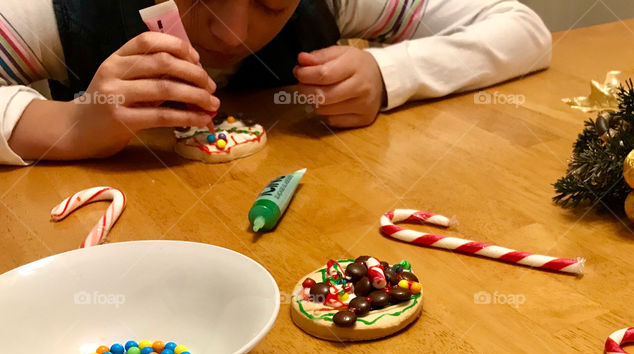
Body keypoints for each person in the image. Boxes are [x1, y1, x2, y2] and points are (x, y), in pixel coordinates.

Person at [0, 0, 551, 164]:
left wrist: (388, 73)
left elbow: (523, 29)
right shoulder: (54, 10)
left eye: (271, 2)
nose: (234, 33)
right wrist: (67, 122)